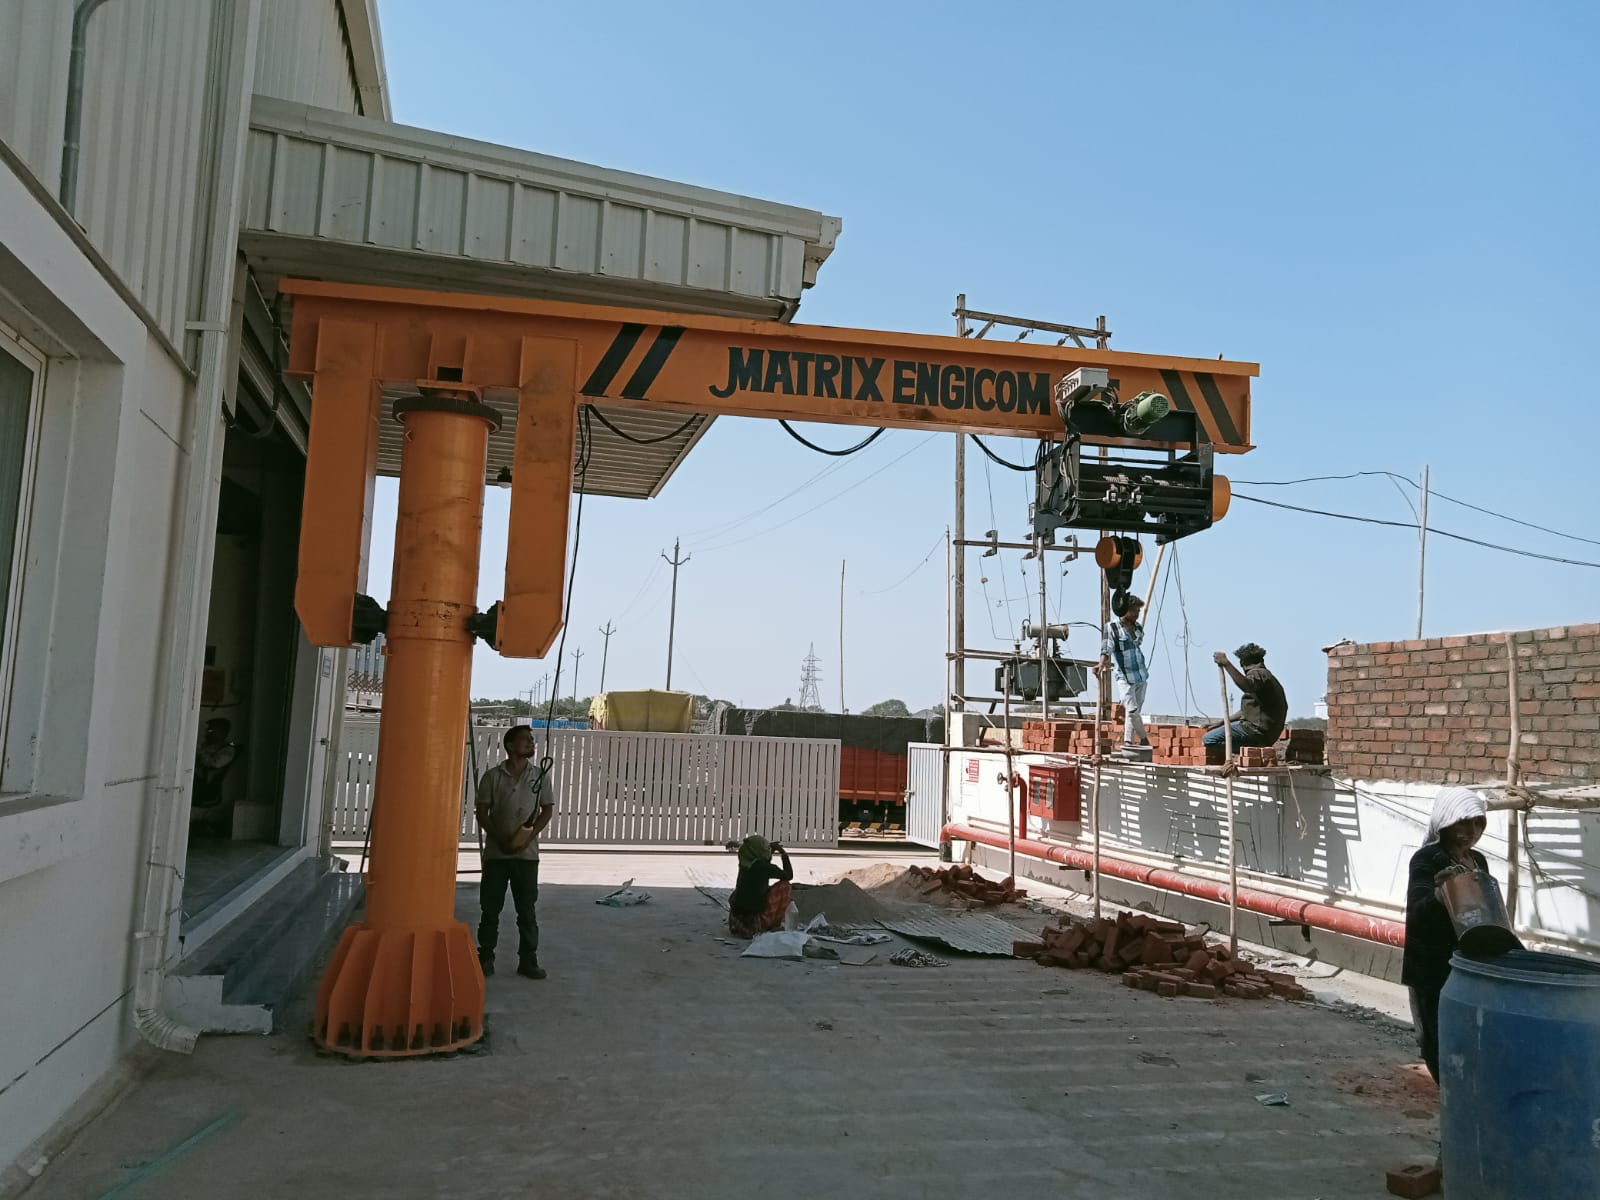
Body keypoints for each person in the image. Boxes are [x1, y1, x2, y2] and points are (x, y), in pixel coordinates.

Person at [1404, 785, 1491, 1082]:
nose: (1471, 831)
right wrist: (1440, 896)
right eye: (1462, 823)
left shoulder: (1478, 861)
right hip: (1432, 965)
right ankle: (1448, 1092)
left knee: (1469, 1033)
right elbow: (1417, 912)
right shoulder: (1427, 859)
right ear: (1445, 822)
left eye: (1477, 823)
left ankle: (1464, 1088)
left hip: (1469, 961)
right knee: (1437, 1036)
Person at [474, 725, 554, 979]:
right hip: (496, 855)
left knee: (527, 911)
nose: (531, 743)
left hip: (526, 855)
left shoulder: (539, 776)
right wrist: (499, 837)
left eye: (532, 740)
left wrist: (528, 836)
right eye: (525, 740)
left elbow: (547, 810)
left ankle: (528, 960)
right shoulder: (492, 777)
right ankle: (485, 957)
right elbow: (482, 812)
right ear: (509, 745)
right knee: (490, 909)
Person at [1204, 643, 1287, 754]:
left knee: (1208, 739)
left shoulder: (1258, 673)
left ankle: (1252, 750)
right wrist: (1221, 723)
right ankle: (1251, 751)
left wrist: (1227, 664)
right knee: (1219, 733)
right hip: (1266, 733)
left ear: (1243, 663)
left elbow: (1246, 685)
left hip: (1256, 732)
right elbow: (1245, 711)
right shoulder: (1267, 678)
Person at [1100, 596, 1150, 750]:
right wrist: (1101, 663)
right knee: (1132, 709)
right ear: (1125, 610)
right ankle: (1144, 738)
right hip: (1124, 676)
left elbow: (1137, 644)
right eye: (1134, 610)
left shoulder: (1138, 627)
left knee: (1134, 711)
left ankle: (1128, 740)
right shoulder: (1112, 627)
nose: (1137, 614)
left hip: (1140, 674)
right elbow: (1106, 647)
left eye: (1138, 611)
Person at [727, 835, 795, 938]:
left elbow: (763, 861)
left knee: (744, 889)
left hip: (736, 919)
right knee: (785, 886)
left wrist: (770, 851)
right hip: (754, 921)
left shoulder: (745, 864)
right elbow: (788, 875)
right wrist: (783, 853)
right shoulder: (764, 868)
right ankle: (771, 922)